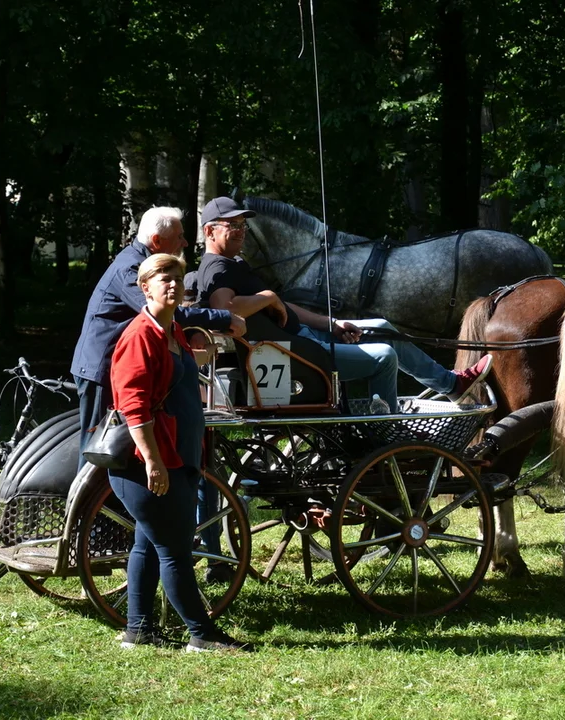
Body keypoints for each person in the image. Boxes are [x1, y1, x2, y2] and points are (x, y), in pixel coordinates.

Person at [194, 196, 492, 410]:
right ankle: (384, 432)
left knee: (382, 327)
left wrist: (333, 324)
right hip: (295, 354)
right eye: (233, 226)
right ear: (210, 231)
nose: (242, 233)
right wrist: (268, 297)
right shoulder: (217, 268)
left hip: (303, 339)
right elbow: (225, 311)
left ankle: (451, 385)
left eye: (244, 226)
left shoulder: (234, 265)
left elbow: (284, 308)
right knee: (384, 357)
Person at [109, 252, 251, 652]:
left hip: (178, 457)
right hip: (149, 464)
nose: (172, 284)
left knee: (147, 543)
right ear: (145, 287)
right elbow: (132, 405)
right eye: (162, 278)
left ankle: (139, 631)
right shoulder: (140, 335)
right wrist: (153, 461)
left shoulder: (171, 332)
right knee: (174, 550)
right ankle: (201, 635)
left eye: (177, 277)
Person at [71, 206, 246, 458]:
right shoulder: (132, 270)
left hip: (118, 366)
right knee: (99, 450)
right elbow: (165, 314)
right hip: (102, 368)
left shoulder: (142, 264)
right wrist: (223, 317)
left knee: (118, 448)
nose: (185, 242)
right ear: (157, 241)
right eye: (179, 237)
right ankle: (85, 498)